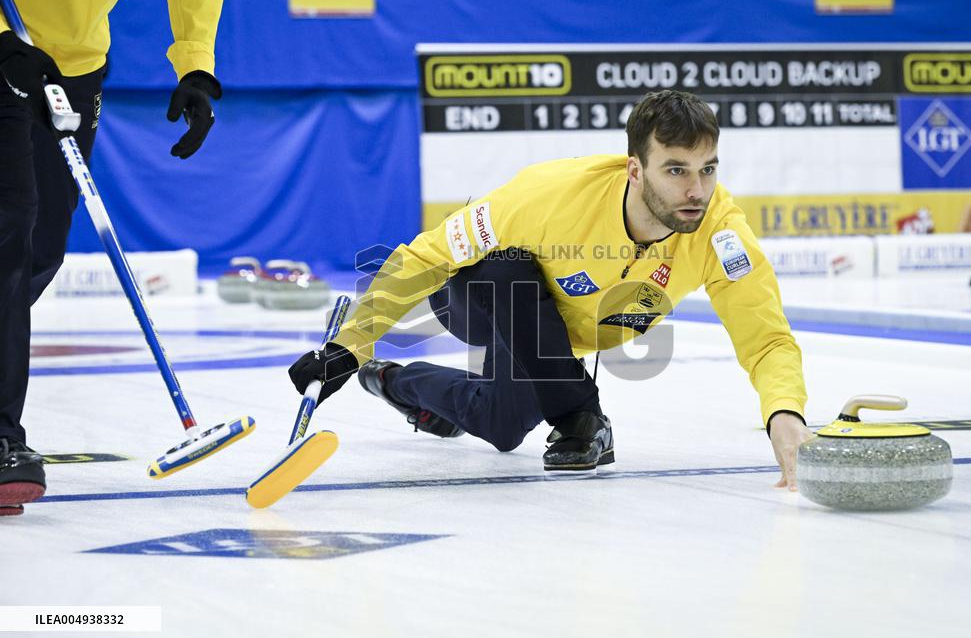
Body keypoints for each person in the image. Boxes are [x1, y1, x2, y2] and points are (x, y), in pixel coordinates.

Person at [289, 90, 814, 484]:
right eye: (676, 170)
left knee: (499, 426)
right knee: (504, 268)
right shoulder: (549, 198)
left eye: (707, 170)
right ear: (635, 169)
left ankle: (397, 384)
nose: (695, 191)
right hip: (474, 296)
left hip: (555, 337)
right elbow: (425, 257)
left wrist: (783, 413)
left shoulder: (721, 234)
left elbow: (765, 336)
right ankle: (580, 414)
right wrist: (348, 347)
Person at [0, 0, 229, 516]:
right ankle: (4, 438)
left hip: (76, 64)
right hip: (7, 43)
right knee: (10, 229)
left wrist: (194, 62)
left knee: (41, 248)